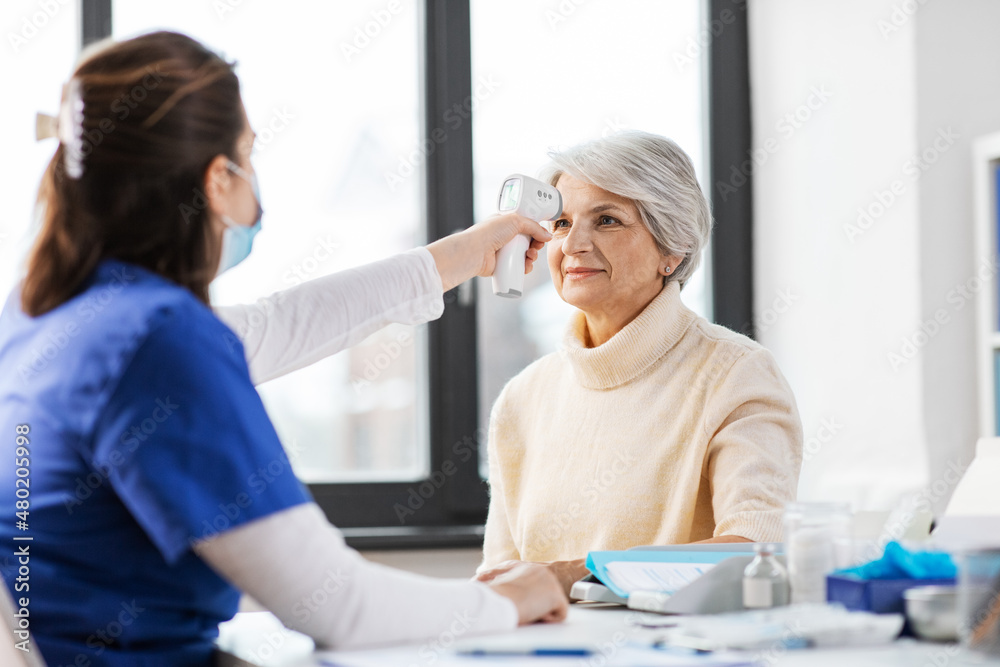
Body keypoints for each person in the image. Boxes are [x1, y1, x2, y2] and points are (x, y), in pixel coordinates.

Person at [0, 31, 566, 667]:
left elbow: (277, 326)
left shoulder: (42, 313)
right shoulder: (158, 341)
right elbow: (339, 606)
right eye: (247, 154)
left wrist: (459, 256)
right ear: (217, 179)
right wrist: (513, 599)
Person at [475, 131, 804, 594]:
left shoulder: (736, 374)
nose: (573, 246)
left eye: (607, 220)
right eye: (563, 224)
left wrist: (577, 572)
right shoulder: (523, 397)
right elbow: (503, 578)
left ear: (672, 251)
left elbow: (758, 551)